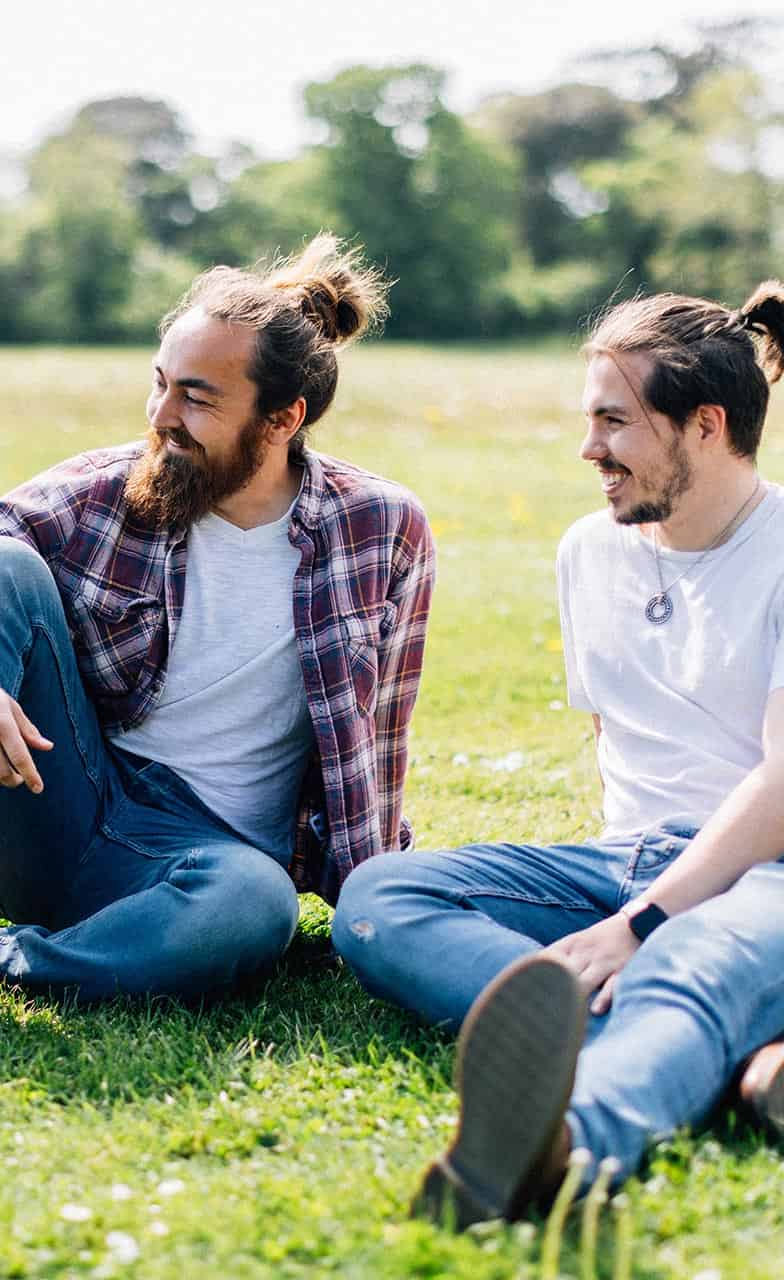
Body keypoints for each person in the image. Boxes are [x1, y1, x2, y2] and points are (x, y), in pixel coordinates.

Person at [0, 235, 435, 1039]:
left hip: (209, 866)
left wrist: (375, 903)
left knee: (254, 907)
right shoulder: (104, 489)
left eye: (197, 397)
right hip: (58, 803)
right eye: (158, 385)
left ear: (283, 418)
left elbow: (378, 743)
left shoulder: (380, 529)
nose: (161, 418)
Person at [333, 281, 784, 1226]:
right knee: (382, 898)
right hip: (629, 862)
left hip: (767, 870)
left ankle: (565, 1143)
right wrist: (625, 902)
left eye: (615, 424)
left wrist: (644, 923)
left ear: (704, 425)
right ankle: (727, 1049)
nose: (589, 451)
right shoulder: (591, 550)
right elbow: (618, 741)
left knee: (688, 960)